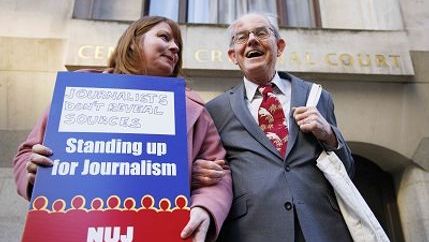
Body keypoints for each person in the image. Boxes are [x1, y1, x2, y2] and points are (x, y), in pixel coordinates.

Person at [12, 16, 232, 242]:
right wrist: (34, 171)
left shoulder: (194, 108)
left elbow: (220, 172)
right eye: (164, 37)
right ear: (134, 42)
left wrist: (205, 208)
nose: (175, 47)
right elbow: (26, 154)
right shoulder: (78, 90)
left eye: (178, 45)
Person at [198, 13, 355, 242]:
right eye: (241, 37)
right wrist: (198, 170)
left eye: (261, 33)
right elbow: (212, 166)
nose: (252, 40)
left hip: (322, 229)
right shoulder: (215, 110)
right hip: (253, 232)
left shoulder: (316, 96)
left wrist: (329, 135)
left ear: (279, 46)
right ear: (233, 55)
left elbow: (347, 170)